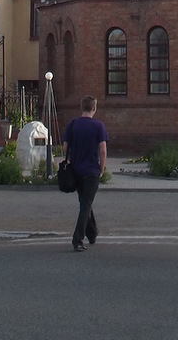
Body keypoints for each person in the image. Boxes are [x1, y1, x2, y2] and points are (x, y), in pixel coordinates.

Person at [62, 95, 108, 252]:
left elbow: (65, 148)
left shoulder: (72, 124)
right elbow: (102, 150)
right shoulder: (98, 126)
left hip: (76, 171)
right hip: (91, 171)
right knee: (86, 205)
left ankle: (92, 233)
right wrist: (102, 169)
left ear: (82, 107)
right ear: (94, 108)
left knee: (85, 203)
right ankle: (78, 239)